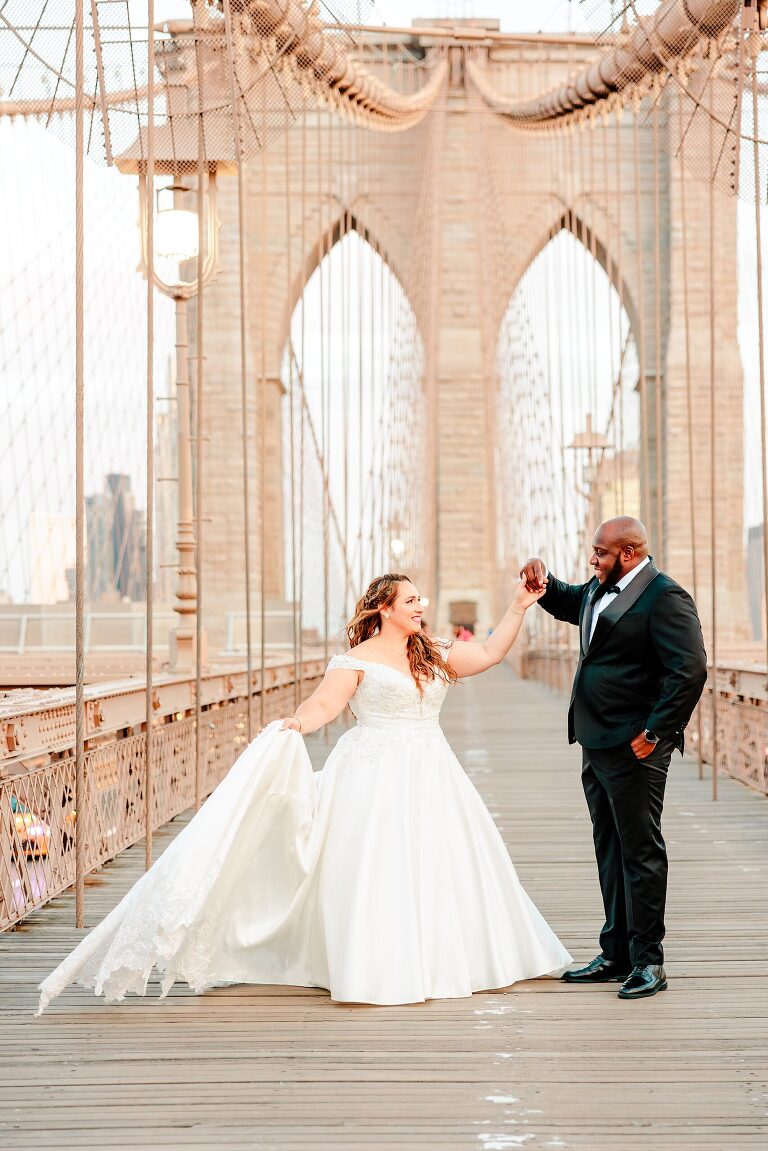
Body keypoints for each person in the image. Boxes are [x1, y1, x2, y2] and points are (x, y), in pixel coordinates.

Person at [37, 572, 571, 1012]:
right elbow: (324, 707)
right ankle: (375, 965)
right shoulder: (354, 660)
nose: (420, 608)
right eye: (411, 601)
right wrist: (295, 723)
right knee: (375, 869)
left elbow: (492, 654)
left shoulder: (431, 653)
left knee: (437, 865)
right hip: (372, 774)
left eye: (421, 602)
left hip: (432, 771)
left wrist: (520, 606)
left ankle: (438, 959)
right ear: (384, 607)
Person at [520, 517, 707, 1000]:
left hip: (635, 746)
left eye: (600, 553)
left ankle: (649, 960)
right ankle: (616, 953)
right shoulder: (601, 586)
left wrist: (656, 731)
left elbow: (689, 669)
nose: (592, 559)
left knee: (641, 851)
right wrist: (544, 583)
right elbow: (572, 602)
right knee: (610, 849)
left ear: (626, 553)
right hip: (595, 740)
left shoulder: (665, 596)